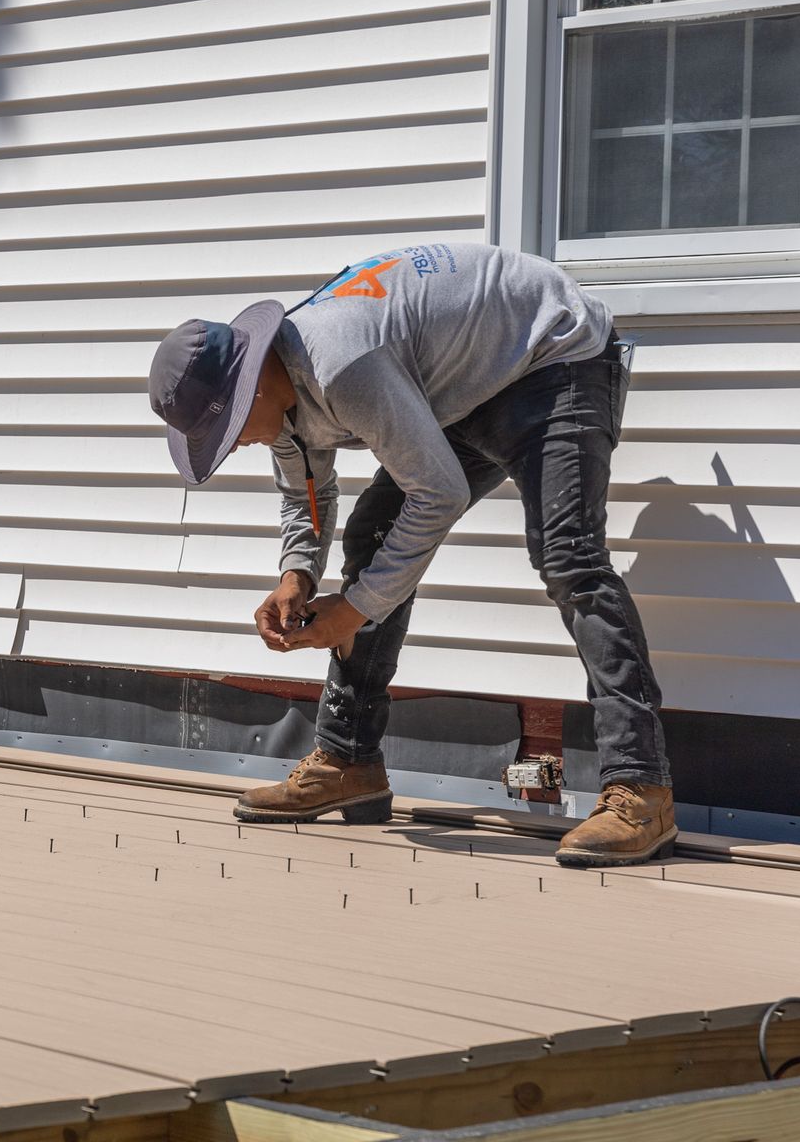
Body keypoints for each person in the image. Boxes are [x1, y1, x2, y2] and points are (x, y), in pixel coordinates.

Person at [147, 243, 674, 867]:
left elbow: (439, 493)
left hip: (554, 354)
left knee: (569, 556)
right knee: (374, 532)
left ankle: (642, 788)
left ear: (254, 379)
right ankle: (348, 761)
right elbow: (304, 494)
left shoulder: (342, 366)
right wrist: (299, 573)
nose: (232, 446)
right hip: (465, 380)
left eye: (229, 428)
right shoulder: (281, 394)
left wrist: (356, 609)